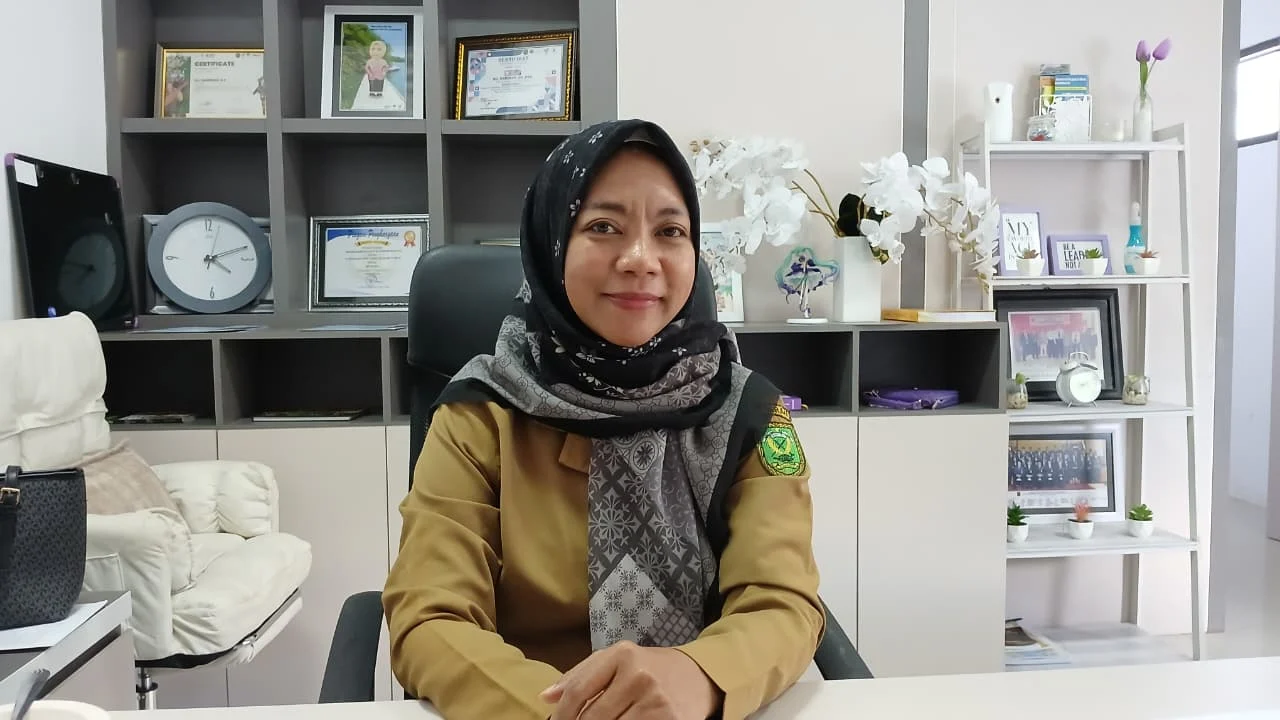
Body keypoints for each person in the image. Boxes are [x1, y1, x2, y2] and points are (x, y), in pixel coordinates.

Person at [382, 118, 825, 720]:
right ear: (552, 246)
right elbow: (430, 617)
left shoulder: (748, 414)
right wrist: (563, 713)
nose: (641, 259)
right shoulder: (480, 413)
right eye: (603, 227)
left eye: (669, 231)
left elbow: (782, 602)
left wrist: (701, 675)